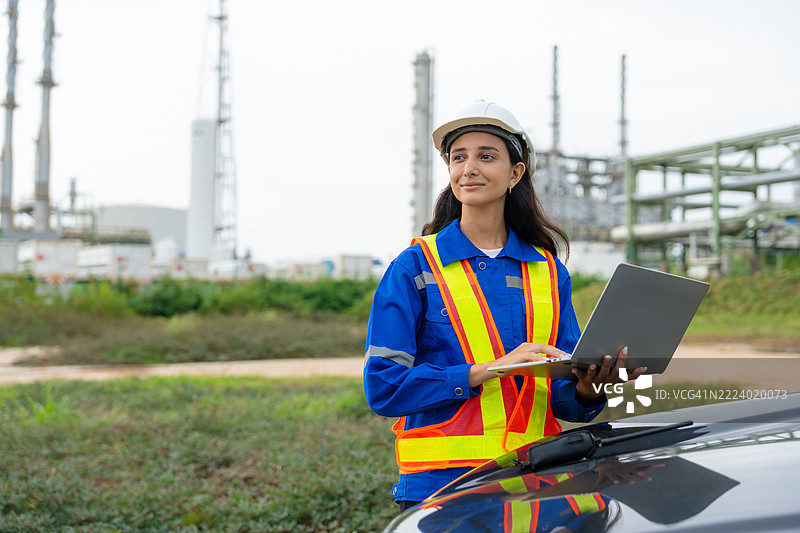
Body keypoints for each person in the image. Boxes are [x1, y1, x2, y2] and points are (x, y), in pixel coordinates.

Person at [363, 100, 645, 510]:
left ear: (516, 173)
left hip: (539, 482)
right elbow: (383, 386)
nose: (469, 168)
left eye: (486, 156)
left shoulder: (548, 272)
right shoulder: (414, 268)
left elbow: (563, 396)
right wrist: (484, 371)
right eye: (458, 157)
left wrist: (590, 385)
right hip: (445, 490)